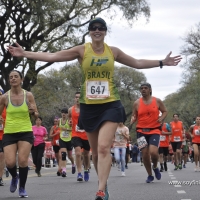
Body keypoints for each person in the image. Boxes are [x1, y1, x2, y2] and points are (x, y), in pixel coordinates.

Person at [7, 17, 182, 200]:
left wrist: (162, 62)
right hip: (89, 108)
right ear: (89, 32)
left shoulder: (113, 51)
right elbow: (53, 56)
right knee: (97, 153)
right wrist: (24, 53)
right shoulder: (82, 50)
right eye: (93, 28)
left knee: (104, 147)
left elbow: (137, 62)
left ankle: (99, 190)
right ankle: (104, 185)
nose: (97, 30)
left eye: (101, 28)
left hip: (111, 105)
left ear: (105, 31)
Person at [0, 70, 38, 198]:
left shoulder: (28, 95)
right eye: (11, 77)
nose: (13, 79)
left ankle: (22, 187)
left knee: (22, 161)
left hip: (25, 131)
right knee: (10, 163)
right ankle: (15, 177)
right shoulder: (4, 97)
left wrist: (33, 111)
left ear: (21, 79)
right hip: (9, 132)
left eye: (16, 76)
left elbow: (36, 114)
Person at [130, 83, 168, 183]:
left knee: (153, 153)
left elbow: (165, 111)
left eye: (145, 88)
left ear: (150, 90)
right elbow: (134, 115)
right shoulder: (137, 103)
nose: (143, 90)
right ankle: (150, 175)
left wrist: (161, 118)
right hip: (141, 131)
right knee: (145, 155)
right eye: (141, 88)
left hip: (154, 130)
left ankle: (155, 167)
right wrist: (133, 119)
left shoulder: (157, 101)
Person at [68, 92, 90, 182]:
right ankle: (79, 173)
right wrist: (70, 122)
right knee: (77, 153)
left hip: (86, 134)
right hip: (75, 134)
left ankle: (86, 170)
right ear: (74, 99)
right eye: (76, 97)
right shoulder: (71, 109)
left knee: (86, 154)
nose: (78, 99)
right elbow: (70, 118)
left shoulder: (87, 109)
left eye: (79, 97)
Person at [58, 108, 75, 177]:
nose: (63, 114)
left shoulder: (69, 121)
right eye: (62, 113)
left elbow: (73, 129)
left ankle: (73, 164)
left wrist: (67, 129)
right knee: (63, 154)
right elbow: (59, 128)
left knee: (70, 156)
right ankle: (64, 170)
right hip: (62, 139)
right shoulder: (59, 120)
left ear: (67, 114)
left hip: (69, 140)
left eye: (65, 113)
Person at [0, 89, 6, 186]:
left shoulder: (7, 108)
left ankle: (0, 177)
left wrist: (3, 122)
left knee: (1, 156)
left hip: (3, 135)